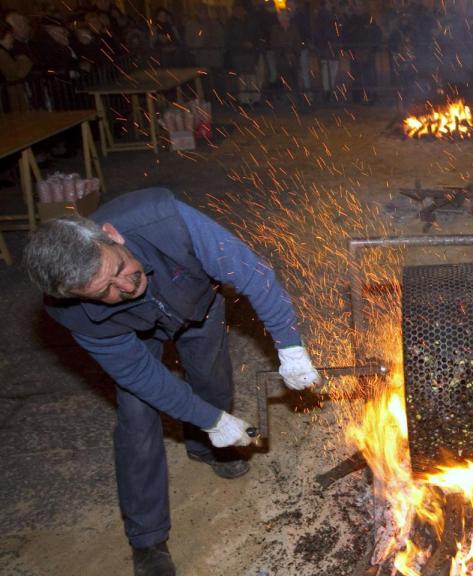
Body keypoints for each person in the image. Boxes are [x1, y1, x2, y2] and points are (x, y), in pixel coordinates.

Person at [23, 188, 322, 576]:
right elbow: (139, 375)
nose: (125, 288)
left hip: (197, 303)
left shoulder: (165, 220)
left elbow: (252, 274)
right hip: (130, 333)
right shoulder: (73, 313)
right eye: (104, 292)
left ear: (112, 235)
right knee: (137, 415)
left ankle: (204, 445)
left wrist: (290, 345)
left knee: (212, 380)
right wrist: (211, 419)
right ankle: (146, 538)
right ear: (75, 296)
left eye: (120, 269)